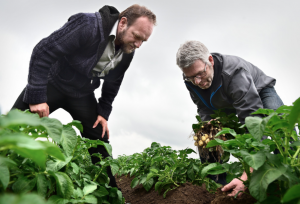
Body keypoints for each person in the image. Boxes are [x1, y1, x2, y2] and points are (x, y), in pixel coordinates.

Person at [12, 4, 156, 189]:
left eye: (143, 41)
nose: (138, 44)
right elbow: (43, 51)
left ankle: (111, 193)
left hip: (81, 93)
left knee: (99, 136)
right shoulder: (88, 25)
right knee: (13, 126)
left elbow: (114, 82)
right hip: (53, 82)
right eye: (136, 36)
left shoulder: (128, 51)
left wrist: (103, 112)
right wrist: (37, 96)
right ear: (123, 23)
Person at [176, 40, 284, 196]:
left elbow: (251, 117)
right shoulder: (191, 79)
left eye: (200, 74)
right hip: (226, 103)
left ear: (210, 61)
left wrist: (248, 173)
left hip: (259, 91)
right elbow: (203, 106)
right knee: (207, 134)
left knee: (280, 127)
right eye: (191, 77)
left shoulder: (234, 72)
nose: (197, 82)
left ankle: (287, 177)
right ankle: (216, 189)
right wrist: (209, 126)